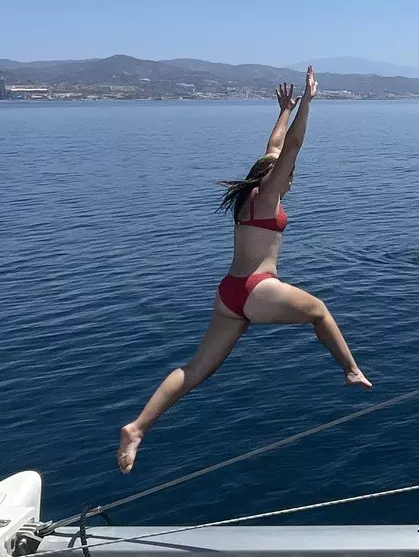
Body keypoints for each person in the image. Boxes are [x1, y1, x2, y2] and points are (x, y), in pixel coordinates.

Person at [117, 68, 371, 473]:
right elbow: (291, 148)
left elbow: (273, 147)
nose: (291, 183)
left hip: (230, 292)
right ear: (275, 178)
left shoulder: (249, 193)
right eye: (288, 178)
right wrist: (307, 104)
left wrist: (283, 111)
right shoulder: (269, 194)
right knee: (319, 311)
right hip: (257, 287)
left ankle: (138, 428)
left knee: (195, 369)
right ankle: (351, 370)